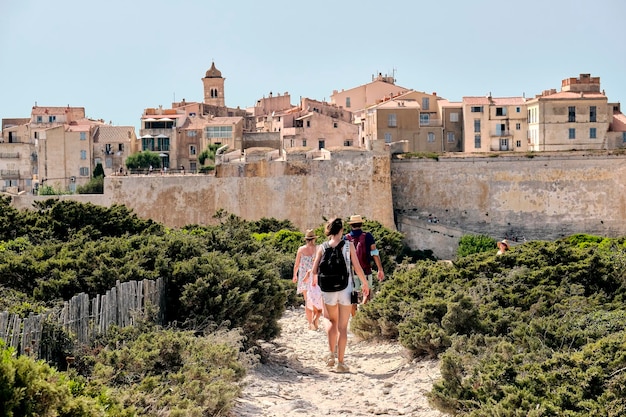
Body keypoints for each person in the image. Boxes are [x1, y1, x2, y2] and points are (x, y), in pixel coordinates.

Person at [311, 217, 369, 373]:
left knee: (331, 320)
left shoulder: (322, 247)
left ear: (328, 230)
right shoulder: (348, 245)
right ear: (342, 230)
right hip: (345, 289)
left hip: (328, 290)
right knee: (343, 327)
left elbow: (315, 270)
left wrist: (316, 284)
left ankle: (331, 354)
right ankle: (341, 363)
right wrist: (364, 284)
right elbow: (357, 267)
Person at [345, 214, 384, 314]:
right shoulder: (368, 236)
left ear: (351, 225)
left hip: (351, 272)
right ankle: (364, 314)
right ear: (361, 224)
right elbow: (374, 253)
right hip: (365, 270)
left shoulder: (346, 238)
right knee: (367, 292)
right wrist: (380, 269)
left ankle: (354, 318)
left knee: (353, 295)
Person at [293, 229, 318, 328]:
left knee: (307, 300)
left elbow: (296, 264)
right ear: (314, 239)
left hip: (304, 277)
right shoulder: (318, 249)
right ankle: (315, 321)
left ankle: (310, 323)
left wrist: (294, 275)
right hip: (315, 276)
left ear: (306, 239)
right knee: (316, 299)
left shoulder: (301, 249)